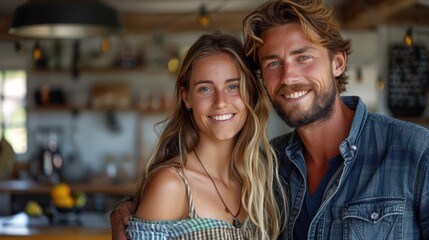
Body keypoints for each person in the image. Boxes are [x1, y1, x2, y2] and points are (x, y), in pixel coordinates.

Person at [242, 0, 429, 239]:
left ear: (337, 63)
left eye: (303, 57)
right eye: (273, 63)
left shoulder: (414, 150)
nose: (288, 77)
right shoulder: (268, 166)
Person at [116, 31, 285, 240]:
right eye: (205, 89)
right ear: (187, 97)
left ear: (250, 93)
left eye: (233, 86)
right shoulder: (172, 185)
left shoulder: (263, 179)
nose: (220, 101)